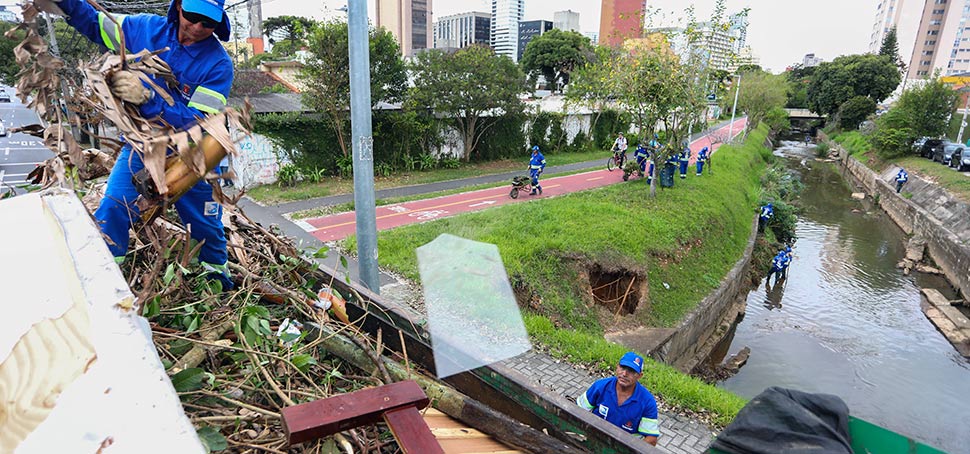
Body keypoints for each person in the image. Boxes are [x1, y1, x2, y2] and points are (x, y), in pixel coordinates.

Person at [58, 0, 235, 288]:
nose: (198, 27)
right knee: (113, 208)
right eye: (192, 16)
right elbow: (94, 23)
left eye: (209, 22)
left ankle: (217, 282)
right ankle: (106, 282)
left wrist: (150, 100)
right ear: (178, 7)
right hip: (143, 146)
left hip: (193, 154)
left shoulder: (218, 64)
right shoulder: (143, 30)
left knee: (205, 225)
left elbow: (199, 122)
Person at [577, 351, 659, 446]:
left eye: (631, 371)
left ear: (640, 376)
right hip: (594, 439)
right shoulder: (600, 386)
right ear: (617, 367)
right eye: (622, 368)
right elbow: (577, 409)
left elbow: (651, 439)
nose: (624, 374)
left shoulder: (647, 402)